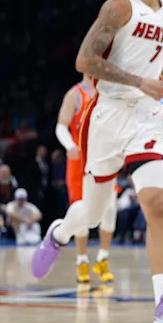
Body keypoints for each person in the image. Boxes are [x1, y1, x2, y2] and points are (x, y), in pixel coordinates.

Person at [31, 0, 163, 323]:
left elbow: (162, 58)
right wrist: (139, 81)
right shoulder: (118, 6)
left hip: (147, 120)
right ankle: (59, 233)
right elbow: (84, 60)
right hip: (108, 117)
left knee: (155, 203)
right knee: (91, 212)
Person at [55, 74, 117, 284]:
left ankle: (103, 258)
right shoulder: (75, 94)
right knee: (82, 210)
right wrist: (69, 145)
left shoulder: (110, 92)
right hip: (80, 160)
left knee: (110, 209)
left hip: (104, 156)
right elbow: (61, 125)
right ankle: (82, 261)